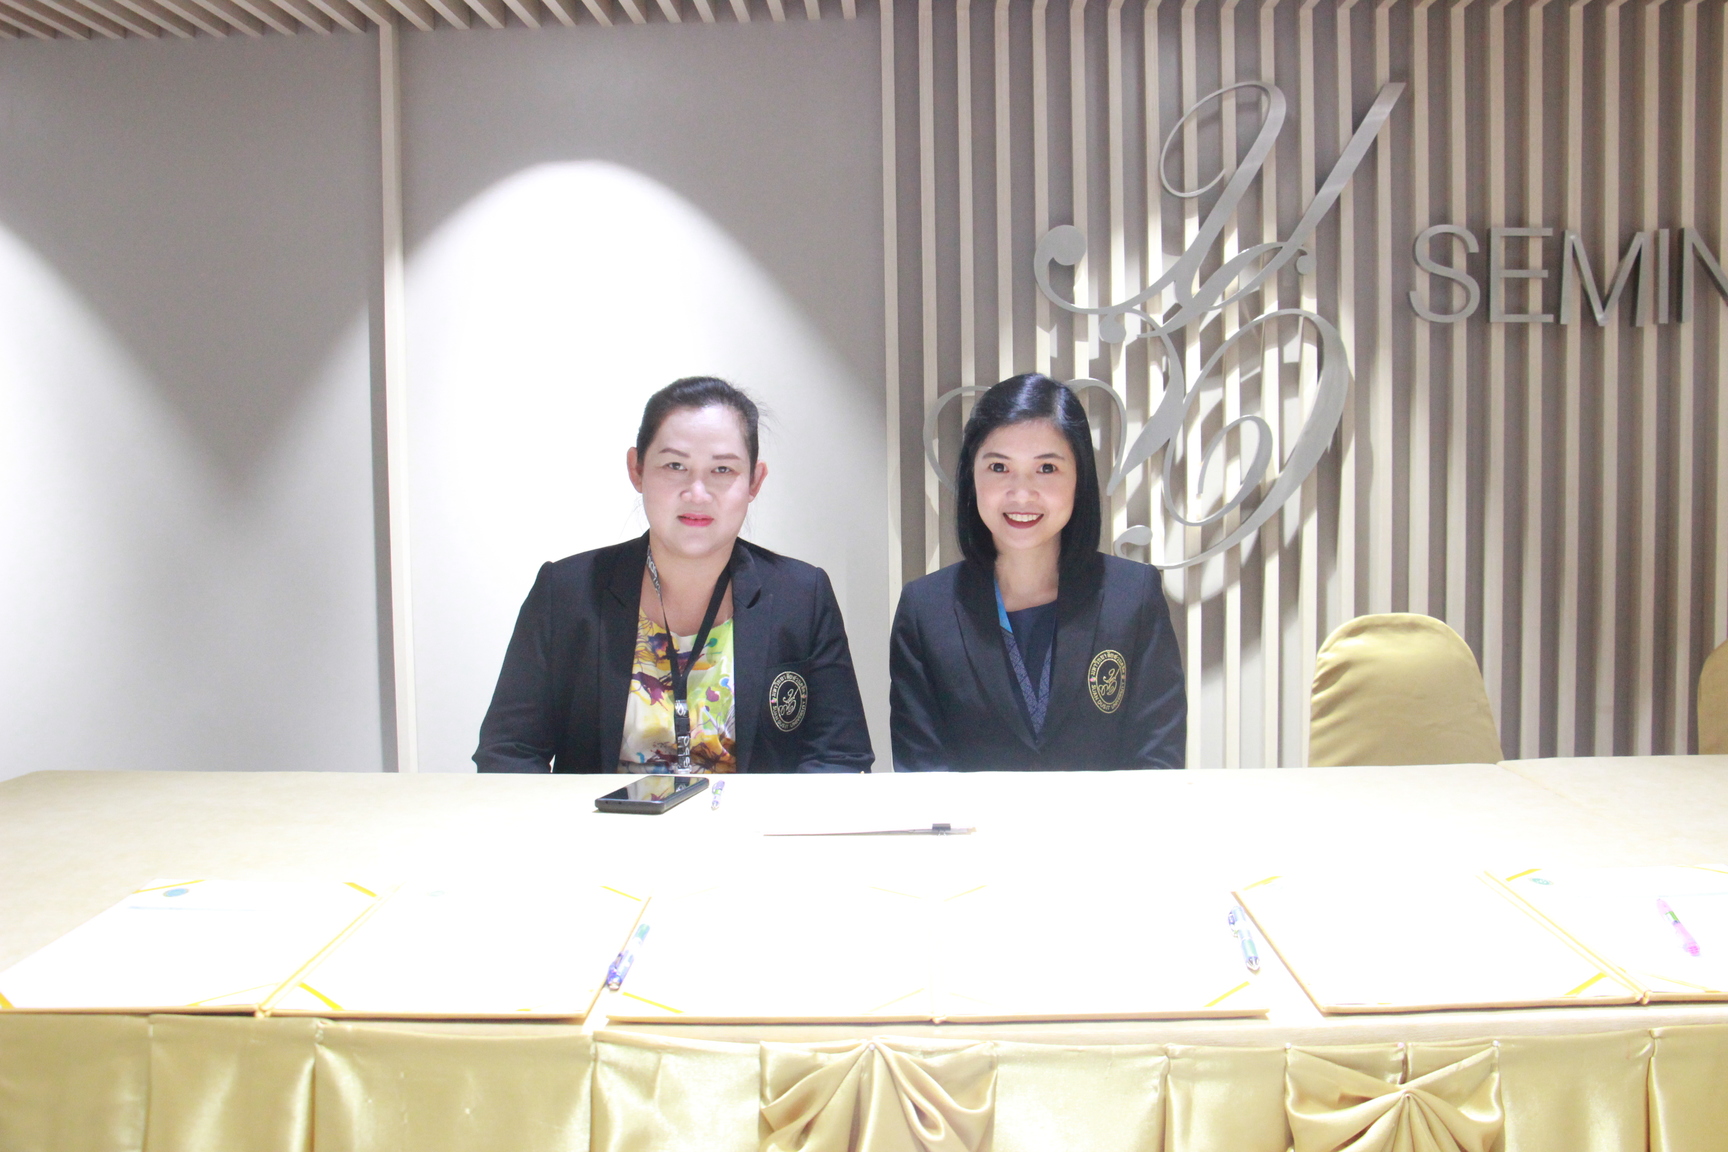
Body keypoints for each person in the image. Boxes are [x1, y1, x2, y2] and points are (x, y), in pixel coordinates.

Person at [475, 377, 875, 774]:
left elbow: (840, 756)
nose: (697, 493)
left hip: (753, 819)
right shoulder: (566, 592)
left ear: (754, 481)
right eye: (675, 466)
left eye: (722, 469)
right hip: (600, 818)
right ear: (637, 469)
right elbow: (508, 753)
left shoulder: (802, 597)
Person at [890, 373, 1186, 770]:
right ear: (971, 477)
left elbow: (1158, 762)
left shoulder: (1133, 595)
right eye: (999, 467)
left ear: (1079, 477)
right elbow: (922, 774)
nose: (1021, 493)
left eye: (1046, 468)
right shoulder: (925, 610)